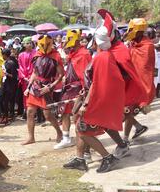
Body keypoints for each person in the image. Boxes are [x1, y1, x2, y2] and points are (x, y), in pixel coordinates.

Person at [64, 26, 124, 173]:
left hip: (95, 100)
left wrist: (85, 103)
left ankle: (107, 157)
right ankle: (80, 159)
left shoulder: (102, 57)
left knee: (83, 130)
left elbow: (97, 83)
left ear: (96, 41)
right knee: (80, 127)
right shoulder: (104, 56)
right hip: (92, 97)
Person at [22, 35, 64, 145]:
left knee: (48, 115)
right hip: (35, 86)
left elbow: (61, 75)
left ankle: (59, 133)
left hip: (47, 86)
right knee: (30, 112)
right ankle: (31, 137)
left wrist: (51, 86)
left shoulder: (56, 55)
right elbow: (34, 73)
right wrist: (28, 86)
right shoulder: (37, 55)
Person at [55, 30, 92, 150]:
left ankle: (85, 150)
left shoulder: (84, 54)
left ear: (75, 41)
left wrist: (84, 93)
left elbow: (86, 75)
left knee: (78, 118)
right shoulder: (72, 53)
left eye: (68, 39)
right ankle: (66, 138)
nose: (65, 42)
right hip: (69, 87)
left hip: (79, 89)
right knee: (65, 112)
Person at [123, 18, 156, 140]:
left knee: (126, 112)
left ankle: (125, 140)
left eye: (131, 30)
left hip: (141, 86)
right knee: (126, 111)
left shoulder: (147, 47)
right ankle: (138, 127)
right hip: (131, 84)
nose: (128, 32)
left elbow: (144, 71)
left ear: (138, 31)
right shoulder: (133, 44)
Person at [18, 37, 37, 119]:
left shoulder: (36, 53)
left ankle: (37, 112)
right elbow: (20, 67)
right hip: (25, 78)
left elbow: (37, 66)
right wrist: (24, 77)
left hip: (35, 77)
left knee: (35, 94)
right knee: (26, 95)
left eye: (30, 43)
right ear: (24, 45)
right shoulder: (21, 55)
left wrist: (33, 76)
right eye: (27, 43)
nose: (29, 44)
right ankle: (27, 111)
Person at [0, 48, 19, 124]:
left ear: (4, 55)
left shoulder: (11, 63)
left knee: (6, 101)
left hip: (10, 86)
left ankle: (6, 117)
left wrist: (6, 74)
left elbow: (14, 76)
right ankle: (4, 115)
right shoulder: (5, 62)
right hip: (5, 84)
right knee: (1, 100)